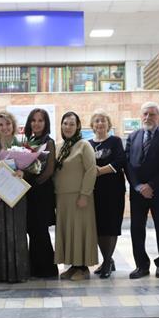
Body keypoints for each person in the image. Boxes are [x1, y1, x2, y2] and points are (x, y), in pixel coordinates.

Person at [124, 102, 159, 279]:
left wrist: (152, 185)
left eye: (152, 114)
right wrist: (138, 186)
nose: (148, 117)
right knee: (137, 230)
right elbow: (127, 165)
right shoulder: (133, 136)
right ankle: (141, 265)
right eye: (145, 114)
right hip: (138, 193)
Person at [0, 111, 30, 283]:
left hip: (16, 195)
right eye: (1, 124)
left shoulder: (22, 144)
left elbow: (32, 167)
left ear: (13, 125)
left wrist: (23, 172)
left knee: (17, 231)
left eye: (8, 124)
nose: (5, 127)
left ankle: (18, 272)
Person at [54, 112, 98, 281]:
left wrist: (84, 194)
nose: (68, 127)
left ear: (78, 126)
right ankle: (73, 266)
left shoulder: (84, 145)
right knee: (68, 233)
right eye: (65, 123)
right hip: (62, 198)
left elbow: (91, 170)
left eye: (72, 124)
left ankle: (83, 268)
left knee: (80, 232)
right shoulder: (59, 146)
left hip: (79, 197)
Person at [88, 110, 126, 279]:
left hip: (113, 190)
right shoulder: (87, 144)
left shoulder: (115, 141)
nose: (100, 123)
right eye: (97, 121)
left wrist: (99, 171)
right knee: (99, 226)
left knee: (111, 226)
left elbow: (120, 161)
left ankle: (107, 261)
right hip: (95, 191)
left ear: (108, 124)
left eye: (103, 120)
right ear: (92, 125)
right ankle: (107, 260)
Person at [23, 108, 59, 278]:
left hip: (42, 192)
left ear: (46, 123)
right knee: (32, 229)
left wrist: (32, 184)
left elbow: (49, 170)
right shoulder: (28, 141)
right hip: (29, 192)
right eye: (33, 120)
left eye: (40, 120)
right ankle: (34, 267)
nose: (36, 124)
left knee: (41, 230)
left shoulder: (48, 142)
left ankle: (48, 269)